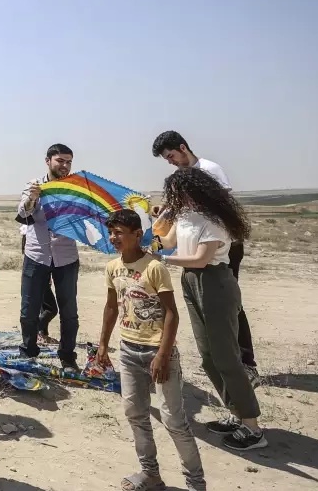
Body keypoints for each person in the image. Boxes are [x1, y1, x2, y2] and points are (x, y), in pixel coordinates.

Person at [96, 210, 205, 491]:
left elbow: (172, 313)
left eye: (119, 232)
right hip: (128, 351)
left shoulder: (154, 267)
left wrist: (163, 355)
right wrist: (103, 344)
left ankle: (196, 483)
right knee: (135, 414)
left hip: (157, 353)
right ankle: (150, 474)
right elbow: (111, 307)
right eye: (111, 232)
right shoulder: (112, 267)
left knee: (173, 420)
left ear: (137, 234)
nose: (113, 237)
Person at [160, 168, 265, 451]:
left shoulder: (215, 221)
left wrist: (162, 259)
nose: (178, 199)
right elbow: (167, 240)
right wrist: (160, 217)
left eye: (180, 194)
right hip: (191, 281)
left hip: (214, 282)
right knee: (208, 356)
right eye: (174, 195)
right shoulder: (184, 216)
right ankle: (236, 414)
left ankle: (253, 427)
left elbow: (200, 259)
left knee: (227, 358)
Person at [152, 130, 258, 385]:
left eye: (171, 156)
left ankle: (245, 363)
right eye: (167, 160)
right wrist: (164, 211)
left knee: (229, 305)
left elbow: (217, 206)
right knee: (206, 308)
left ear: (183, 147)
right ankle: (218, 359)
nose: (171, 161)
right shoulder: (181, 176)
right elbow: (183, 208)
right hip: (196, 245)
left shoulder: (210, 169)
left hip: (220, 243)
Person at [18, 144, 81, 369]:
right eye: (60, 161)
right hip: (37, 256)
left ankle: (67, 356)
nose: (64, 165)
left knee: (69, 311)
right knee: (29, 309)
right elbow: (23, 213)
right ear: (48, 161)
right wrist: (32, 199)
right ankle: (28, 353)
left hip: (67, 257)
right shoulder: (33, 186)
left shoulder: (77, 189)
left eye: (68, 162)